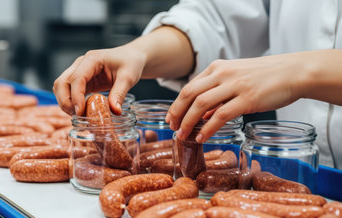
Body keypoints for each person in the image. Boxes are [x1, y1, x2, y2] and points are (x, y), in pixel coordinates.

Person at [52, 0, 342, 168]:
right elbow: (222, 16)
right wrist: (140, 51)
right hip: (300, 173)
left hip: (293, 153)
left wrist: (302, 71)